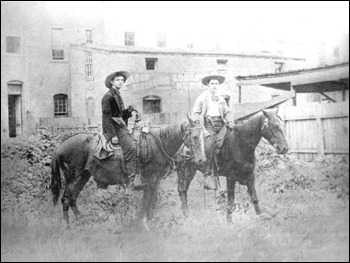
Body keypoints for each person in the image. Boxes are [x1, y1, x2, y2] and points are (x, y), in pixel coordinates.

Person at [102, 71, 147, 190]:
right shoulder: (108, 97)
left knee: (138, 143)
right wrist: (112, 136)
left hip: (121, 126)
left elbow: (121, 115)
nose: (120, 82)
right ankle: (131, 181)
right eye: (118, 80)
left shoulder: (117, 95)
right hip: (114, 129)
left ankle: (138, 176)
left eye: (122, 80)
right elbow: (106, 117)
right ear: (112, 82)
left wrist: (128, 111)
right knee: (131, 147)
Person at [192, 74, 235, 190]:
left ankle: (232, 168)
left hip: (221, 125)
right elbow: (196, 113)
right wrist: (197, 124)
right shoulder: (201, 98)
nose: (214, 86)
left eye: (216, 84)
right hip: (208, 126)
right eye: (212, 84)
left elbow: (227, 112)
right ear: (208, 85)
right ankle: (208, 175)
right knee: (208, 148)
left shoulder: (221, 99)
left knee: (231, 141)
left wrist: (230, 121)